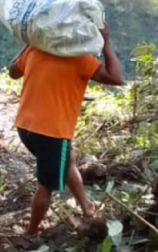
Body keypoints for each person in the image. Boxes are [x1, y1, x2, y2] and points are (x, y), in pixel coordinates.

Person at [8, 23, 125, 236]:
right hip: (52, 132)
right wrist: (106, 41)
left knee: (67, 158)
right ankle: (31, 233)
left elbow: (12, 70)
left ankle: (86, 206)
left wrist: (31, 42)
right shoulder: (80, 59)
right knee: (46, 184)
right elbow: (116, 78)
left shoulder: (36, 50)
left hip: (25, 126)